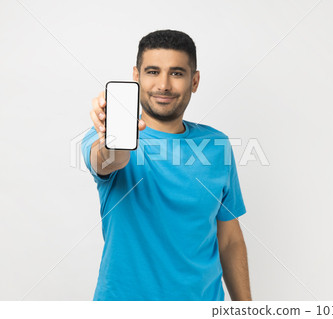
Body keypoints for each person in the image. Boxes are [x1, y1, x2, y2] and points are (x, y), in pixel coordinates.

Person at [82, 29, 251, 301]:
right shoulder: (105, 136)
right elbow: (109, 160)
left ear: (194, 81)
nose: (163, 85)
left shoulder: (216, 145)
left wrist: (247, 309)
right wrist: (113, 137)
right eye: (152, 72)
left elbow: (229, 238)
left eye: (176, 73)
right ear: (136, 77)